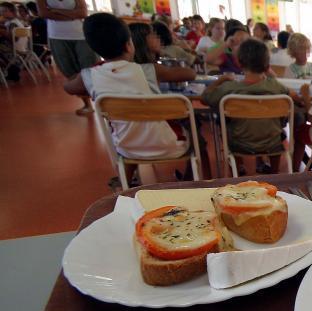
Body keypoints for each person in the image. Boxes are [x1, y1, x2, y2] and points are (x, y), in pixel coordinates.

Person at [62, 13, 202, 185]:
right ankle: (196, 180)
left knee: (128, 128)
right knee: (196, 132)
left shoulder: (89, 76)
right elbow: (190, 73)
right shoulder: (147, 70)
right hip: (169, 145)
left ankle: (124, 185)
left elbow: (68, 87)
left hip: (126, 148)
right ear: (129, 45)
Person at [202, 39, 289, 175]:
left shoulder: (229, 89)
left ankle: (239, 168)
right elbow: (292, 96)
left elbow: (205, 98)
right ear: (267, 64)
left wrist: (220, 81)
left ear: (238, 62)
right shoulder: (277, 87)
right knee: (276, 133)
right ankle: (274, 171)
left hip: (239, 144)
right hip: (273, 143)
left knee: (229, 125)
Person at [35, 0, 97, 114]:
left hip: (80, 35)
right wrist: (71, 14)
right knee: (70, 71)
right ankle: (87, 104)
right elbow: (44, 14)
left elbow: (83, 13)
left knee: (91, 68)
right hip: (57, 36)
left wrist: (56, 11)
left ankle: (101, 99)